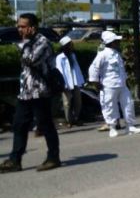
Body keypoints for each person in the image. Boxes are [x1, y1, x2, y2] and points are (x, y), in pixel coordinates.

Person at [0, 13, 61, 173]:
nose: (19, 29)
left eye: (22, 26)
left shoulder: (43, 42)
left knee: (45, 125)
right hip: (26, 92)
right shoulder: (27, 42)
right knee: (19, 125)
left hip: (40, 92)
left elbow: (31, 60)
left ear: (32, 27)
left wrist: (24, 43)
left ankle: (53, 157)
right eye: (18, 26)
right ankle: (15, 160)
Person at [89, 31, 140, 138]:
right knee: (110, 106)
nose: (118, 42)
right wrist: (95, 83)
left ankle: (130, 126)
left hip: (122, 84)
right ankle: (112, 128)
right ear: (111, 42)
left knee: (128, 104)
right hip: (109, 85)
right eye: (116, 41)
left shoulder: (117, 53)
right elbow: (94, 68)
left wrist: (126, 82)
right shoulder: (102, 54)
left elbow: (121, 70)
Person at [56, 36, 85, 128]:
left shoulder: (73, 55)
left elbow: (77, 69)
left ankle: (75, 118)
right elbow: (60, 71)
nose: (72, 46)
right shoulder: (60, 57)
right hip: (66, 82)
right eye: (70, 44)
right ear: (66, 46)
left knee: (78, 101)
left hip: (75, 81)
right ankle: (69, 121)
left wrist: (81, 80)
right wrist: (63, 84)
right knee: (67, 103)